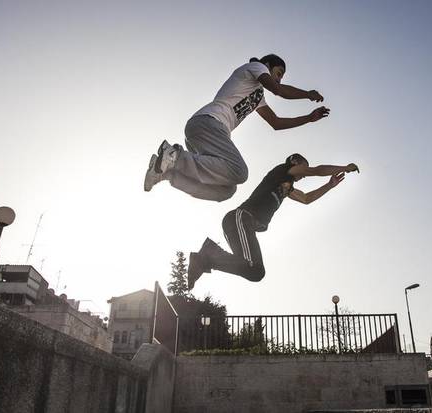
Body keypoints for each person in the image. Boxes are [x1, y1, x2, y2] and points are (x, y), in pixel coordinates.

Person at [144, 54, 331, 202]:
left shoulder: (258, 96)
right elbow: (278, 90)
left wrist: (308, 118)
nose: (279, 79)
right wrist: (307, 94)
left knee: (226, 190)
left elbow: (276, 123)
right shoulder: (255, 67)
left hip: (208, 135)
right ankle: (174, 156)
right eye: (279, 73)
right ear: (268, 65)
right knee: (240, 171)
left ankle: (165, 173)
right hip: (208, 122)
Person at [186, 154, 359, 288]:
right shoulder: (283, 170)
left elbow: (306, 198)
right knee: (253, 267)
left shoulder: (287, 187)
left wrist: (329, 185)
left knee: (255, 271)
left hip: (243, 225)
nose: (304, 176)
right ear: (296, 163)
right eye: (303, 170)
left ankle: (208, 254)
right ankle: (207, 255)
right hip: (240, 218)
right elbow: (316, 170)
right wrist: (345, 167)